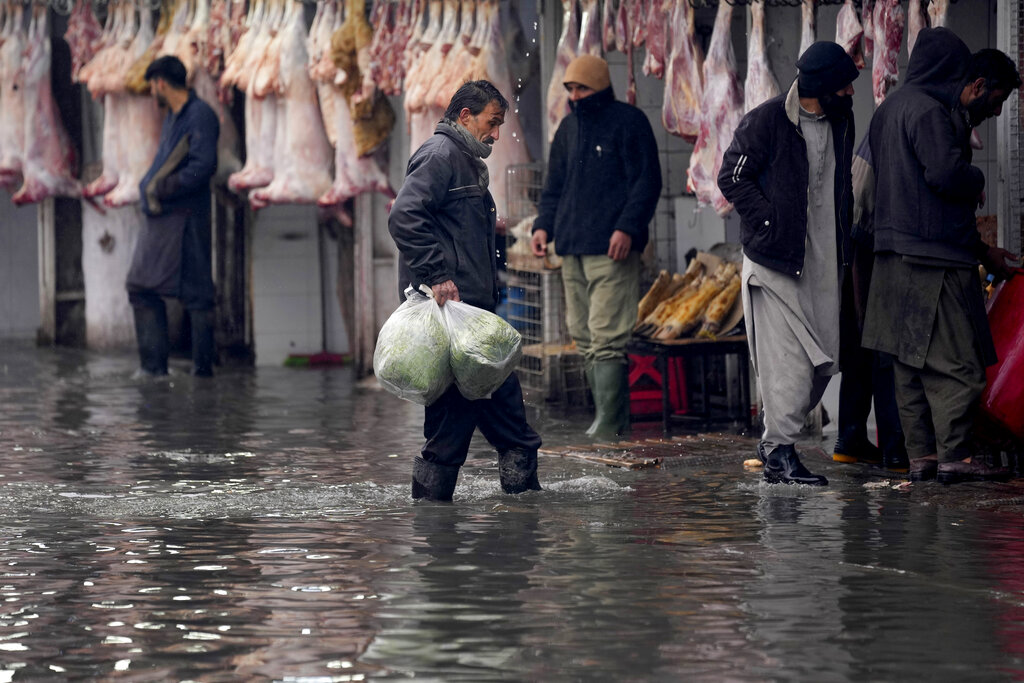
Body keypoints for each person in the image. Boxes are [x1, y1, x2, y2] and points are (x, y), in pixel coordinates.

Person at [861, 33, 1021, 485]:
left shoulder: (889, 109)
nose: (993, 110)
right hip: (933, 263)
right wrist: (977, 179)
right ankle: (956, 457)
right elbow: (946, 176)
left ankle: (924, 458)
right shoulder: (930, 112)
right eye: (996, 99)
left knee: (909, 366)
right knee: (958, 365)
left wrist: (985, 253)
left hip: (893, 258)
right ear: (965, 77)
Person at [388, 80, 542, 502]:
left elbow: (442, 223)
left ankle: (518, 521)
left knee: (510, 427)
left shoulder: (463, 159)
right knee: (448, 436)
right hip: (453, 320)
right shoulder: (442, 156)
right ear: (465, 116)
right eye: (492, 124)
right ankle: (438, 533)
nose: (496, 134)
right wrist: (437, 275)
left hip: (474, 321)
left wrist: (486, 230)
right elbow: (404, 217)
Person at [718, 41, 860, 486]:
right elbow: (732, 177)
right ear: (823, 87)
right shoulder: (766, 120)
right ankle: (779, 452)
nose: (852, 95)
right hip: (775, 264)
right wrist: (768, 221)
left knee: (823, 362)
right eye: (845, 87)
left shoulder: (841, 120)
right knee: (786, 364)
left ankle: (775, 442)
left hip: (822, 261)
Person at [529, 55, 662, 439]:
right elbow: (554, 187)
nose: (575, 95)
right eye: (570, 88)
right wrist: (543, 227)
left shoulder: (630, 122)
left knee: (607, 336)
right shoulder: (568, 128)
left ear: (601, 86)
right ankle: (610, 420)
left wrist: (627, 228)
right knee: (583, 335)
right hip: (571, 247)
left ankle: (609, 424)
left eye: (581, 87)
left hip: (612, 248)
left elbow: (646, 183)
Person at [125, 55, 220, 377]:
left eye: (153, 85)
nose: (152, 92)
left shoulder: (200, 115)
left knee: (197, 294)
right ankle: (154, 369)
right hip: (164, 217)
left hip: (187, 217)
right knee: (141, 287)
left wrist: (163, 188)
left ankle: (203, 373)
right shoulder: (173, 117)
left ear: (161, 83)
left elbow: (202, 167)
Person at [832, 135, 909, 472]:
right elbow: (860, 225)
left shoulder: (884, 130)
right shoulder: (898, 131)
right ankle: (894, 449)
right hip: (866, 254)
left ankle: (850, 440)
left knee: (861, 347)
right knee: (881, 348)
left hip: (856, 252)